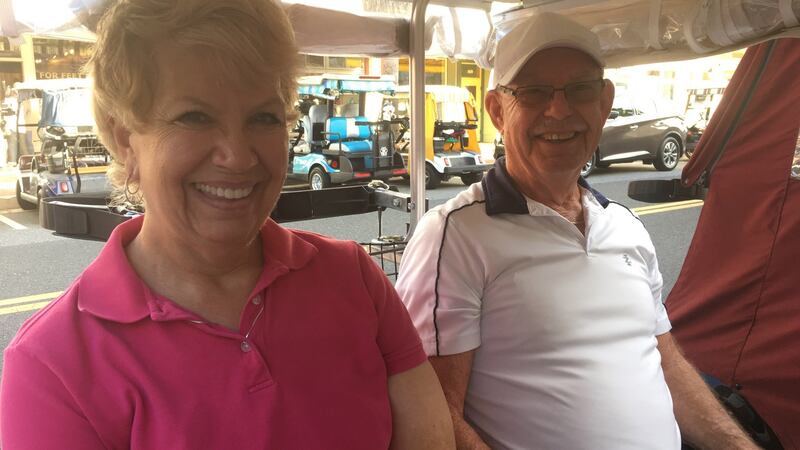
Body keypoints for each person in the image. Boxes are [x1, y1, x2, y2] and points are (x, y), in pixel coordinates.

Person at [0, 1, 455, 449]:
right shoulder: (52, 367)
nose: (237, 156)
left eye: (264, 118)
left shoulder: (354, 279)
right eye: (194, 117)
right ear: (125, 138)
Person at [396, 12, 757, 450]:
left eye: (580, 90)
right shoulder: (454, 236)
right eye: (533, 92)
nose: (559, 110)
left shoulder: (626, 227)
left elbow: (663, 360)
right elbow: (434, 412)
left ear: (604, 103)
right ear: (497, 111)